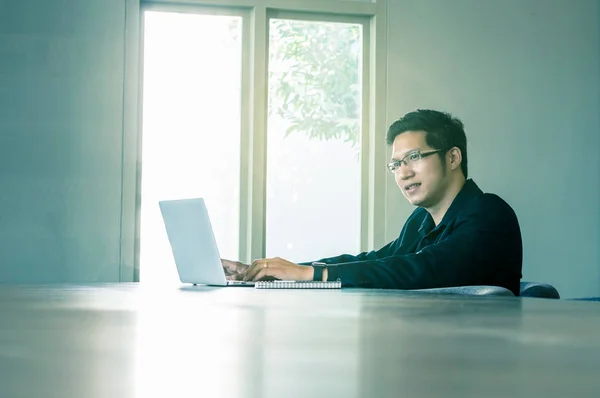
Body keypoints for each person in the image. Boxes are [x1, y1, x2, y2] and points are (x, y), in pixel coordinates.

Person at [222, 109, 523, 295]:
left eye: (414, 158)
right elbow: (377, 261)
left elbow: (422, 270)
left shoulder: (489, 214)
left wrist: (309, 275)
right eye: (396, 164)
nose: (403, 173)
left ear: (453, 157)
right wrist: (274, 271)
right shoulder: (421, 221)